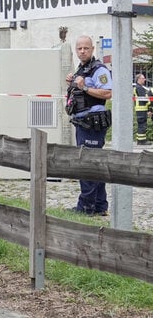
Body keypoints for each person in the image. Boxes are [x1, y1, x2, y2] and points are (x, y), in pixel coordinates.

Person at [64, 35, 112, 216]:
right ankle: (99, 206)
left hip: (93, 123)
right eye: (79, 48)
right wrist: (72, 83)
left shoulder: (99, 69)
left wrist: (84, 87)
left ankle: (85, 207)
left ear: (92, 49)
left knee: (87, 164)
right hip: (82, 122)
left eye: (86, 48)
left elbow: (107, 93)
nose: (82, 51)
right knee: (96, 164)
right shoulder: (82, 69)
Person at [135, 73, 150, 145]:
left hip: (140, 109)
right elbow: (144, 99)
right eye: (143, 78)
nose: (144, 79)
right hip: (141, 109)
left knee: (142, 124)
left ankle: (140, 140)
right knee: (142, 125)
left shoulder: (139, 87)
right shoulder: (139, 88)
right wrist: (149, 104)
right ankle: (141, 141)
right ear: (139, 79)